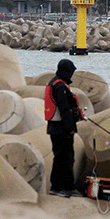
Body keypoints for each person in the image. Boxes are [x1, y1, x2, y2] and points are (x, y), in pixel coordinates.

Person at [45, 58, 86, 197]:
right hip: (61, 129)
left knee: (60, 158)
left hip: (55, 128)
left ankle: (58, 187)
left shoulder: (55, 83)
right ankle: (65, 187)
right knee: (65, 158)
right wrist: (70, 128)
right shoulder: (60, 87)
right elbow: (64, 109)